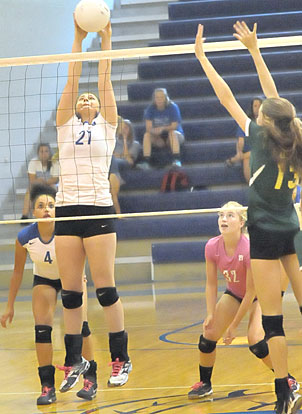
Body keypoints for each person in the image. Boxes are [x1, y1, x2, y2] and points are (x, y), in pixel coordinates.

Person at [195, 21, 302, 413]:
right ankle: (287, 391)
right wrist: (255, 51)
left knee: (272, 323)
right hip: (293, 232)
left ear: (266, 123)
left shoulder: (258, 139)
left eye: (260, 114)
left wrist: (203, 58)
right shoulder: (297, 136)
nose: (256, 115)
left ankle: (283, 394)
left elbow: (226, 97)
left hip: (266, 238)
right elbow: (278, 101)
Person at [54, 17, 131, 393]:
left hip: (98, 210)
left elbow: (104, 77)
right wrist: (77, 38)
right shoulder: (64, 123)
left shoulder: (108, 125)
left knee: (105, 290)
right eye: (82, 98)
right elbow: (74, 78)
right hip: (66, 211)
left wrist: (107, 37)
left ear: (100, 107)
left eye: (92, 98)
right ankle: (74, 361)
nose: (86, 98)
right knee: (70, 293)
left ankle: (121, 358)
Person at [188, 202, 299, 400]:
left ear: (241, 223)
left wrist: (233, 326)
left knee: (256, 340)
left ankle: (287, 378)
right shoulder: (212, 246)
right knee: (207, 337)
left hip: (258, 296)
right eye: (221, 215)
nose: (223, 219)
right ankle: (205, 383)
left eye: (230, 215)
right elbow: (211, 284)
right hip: (233, 293)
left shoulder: (249, 249)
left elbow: (250, 293)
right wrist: (211, 313)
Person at [0, 183, 97, 405]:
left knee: (81, 327)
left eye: (51, 205)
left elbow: (83, 253)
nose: (46, 209)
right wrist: (9, 306)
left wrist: (81, 275)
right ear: (33, 211)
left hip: (71, 277)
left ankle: (90, 379)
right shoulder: (25, 236)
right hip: (44, 280)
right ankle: (47, 386)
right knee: (42, 329)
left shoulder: (67, 229)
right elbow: (16, 273)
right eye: (41, 205)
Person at [143, 88, 184, 167]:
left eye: (161, 97)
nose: (159, 100)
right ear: (154, 99)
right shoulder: (150, 109)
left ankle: (176, 159)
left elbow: (174, 126)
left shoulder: (173, 107)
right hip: (158, 137)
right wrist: (154, 131)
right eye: (157, 97)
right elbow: (148, 128)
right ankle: (146, 161)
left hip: (175, 135)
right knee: (147, 135)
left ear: (166, 98)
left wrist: (162, 128)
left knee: (172, 133)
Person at [226, 98, 263, 182]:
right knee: (247, 158)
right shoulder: (246, 122)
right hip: (251, 152)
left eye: (259, 106)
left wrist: (239, 157)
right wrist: (239, 152)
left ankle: (234, 160)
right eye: (255, 106)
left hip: (264, 152)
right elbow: (240, 140)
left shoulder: (268, 123)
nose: (257, 108)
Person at [21, 143, 59, 221]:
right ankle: (24, 216)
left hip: (49, 185)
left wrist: (43, 181)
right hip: (37, 186)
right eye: (41, 151)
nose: (44, 154)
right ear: (38, 153)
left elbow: (55, 179)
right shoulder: (33, 162)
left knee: (55, 188)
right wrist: (40, 181)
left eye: (46, 151)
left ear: (49, 152)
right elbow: (32, 180)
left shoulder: (54, 162)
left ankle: (58, 213)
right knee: (29, 190)